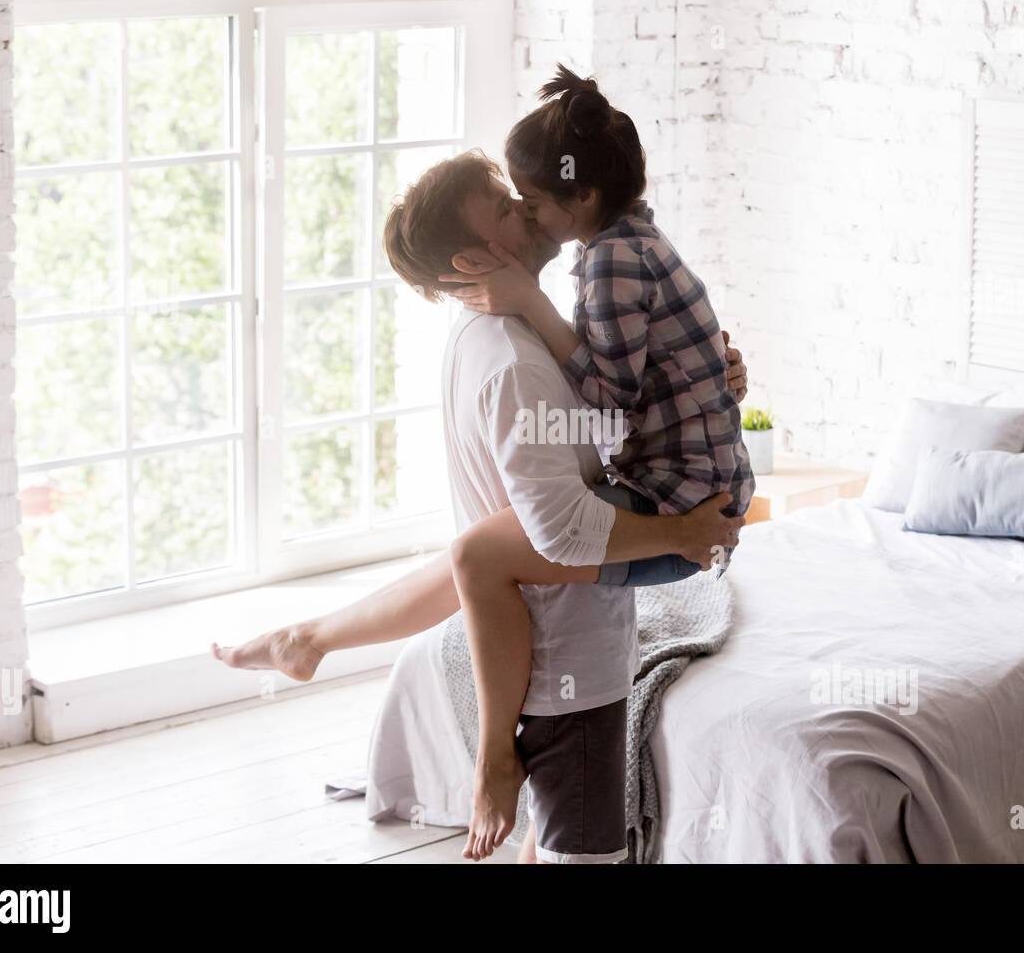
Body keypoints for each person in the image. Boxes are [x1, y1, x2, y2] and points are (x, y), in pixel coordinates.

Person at [213, 148, 749, 863]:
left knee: (542, 843)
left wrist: (701, 386)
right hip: (571, 665)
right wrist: (683, 532)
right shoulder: (514, 361)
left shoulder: (504, 330)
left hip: (556, 642)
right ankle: (326, 651)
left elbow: (597, 432)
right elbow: (560, 531)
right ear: (474, 259)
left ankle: (308, 639)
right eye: (505, 206)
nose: (526, 206)